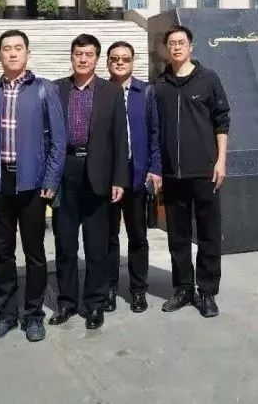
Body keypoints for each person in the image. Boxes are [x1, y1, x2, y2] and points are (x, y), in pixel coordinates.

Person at [0, 29, 66, 343]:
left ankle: (33, 315)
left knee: (34, 253)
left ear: (28, 53)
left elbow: (58, 140)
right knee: (2, 252)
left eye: (18, 48)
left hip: (33, 183)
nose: (12, 53)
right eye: (6, 48)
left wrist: (51, 179)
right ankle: (6, 314)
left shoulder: (45, 89)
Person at [49, 34, 129, 331]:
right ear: (71, 56)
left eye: (89, 54)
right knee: (65, 244)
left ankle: (95, 303)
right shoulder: (56, 89)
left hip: (99, 173)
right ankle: (67, 302)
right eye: (78, 54)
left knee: (97, 246)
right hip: (64, 171)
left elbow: (120, 139)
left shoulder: (111, 92)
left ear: (97, 59)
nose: (83, 59)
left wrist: (119, 178)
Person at [155, 25, 230, 318]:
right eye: (172, 43)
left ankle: (207, 292)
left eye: (181, 42)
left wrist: (221, 160)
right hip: (172, 175)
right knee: (178, 236)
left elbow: (222, 120)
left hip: (205, 172)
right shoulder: (160, 84)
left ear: (191, 47)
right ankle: (183, 289)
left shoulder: (208, 79)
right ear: (166, 48)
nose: (176, 47)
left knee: (209, 234)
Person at [104, 41, 161, 314]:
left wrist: (156, 168)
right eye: (115, 58)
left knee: (138, 236)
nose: (120, 62)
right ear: (107, 62)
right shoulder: (100, 91)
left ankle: (138, 290)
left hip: (137, 174)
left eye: (125, 59)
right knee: (109, 237)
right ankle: (110, 288)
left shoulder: (146, 91)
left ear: (132, 62)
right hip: (108, 177)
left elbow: (156, 134)